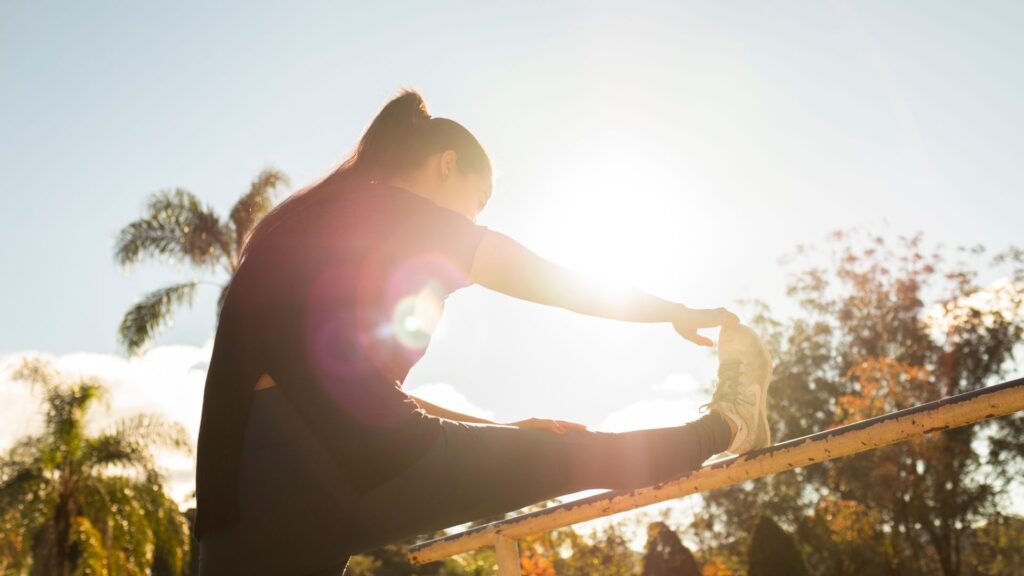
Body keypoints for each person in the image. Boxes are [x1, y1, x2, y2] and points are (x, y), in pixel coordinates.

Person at [193, 89, 773, 575]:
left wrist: (495, 429)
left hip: (240, 499)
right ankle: (731, 423)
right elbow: (557, 282)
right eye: (478, 199)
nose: (472, 218)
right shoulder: (413, 217)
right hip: (352, 464)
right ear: (447, 164)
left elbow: (331, 393)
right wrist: (670, 309)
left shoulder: (298, 227)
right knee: (575, 456)